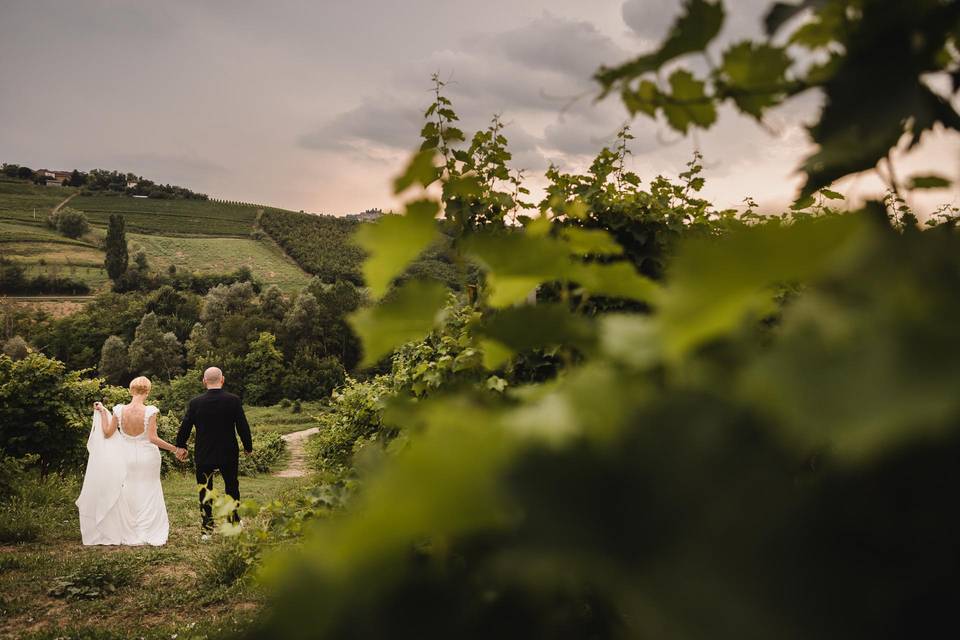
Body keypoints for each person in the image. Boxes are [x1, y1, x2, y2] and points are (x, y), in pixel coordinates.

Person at [77, 376, 183, 545]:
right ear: (147, 391)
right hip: (148, 456)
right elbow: (153, 438)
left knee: (127, 490)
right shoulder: (151, 411)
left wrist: (104, 412)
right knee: (149, 489)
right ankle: (147, 529)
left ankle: (128, 528)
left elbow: (107, 432)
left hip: (125, 457)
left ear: (131, 390)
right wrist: (175, 449)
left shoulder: (119, 410)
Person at [176, 367, 253, 537]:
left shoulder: (195, 403)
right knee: (232, 486)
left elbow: (185, 426)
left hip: (204, 453)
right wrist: (248, 446)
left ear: (204, 381)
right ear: (222, 379)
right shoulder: (233, 400)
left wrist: (181, 445)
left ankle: (207, 529)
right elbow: (242, 425)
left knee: (205, 489)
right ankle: (233, 523)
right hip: (228, 452)